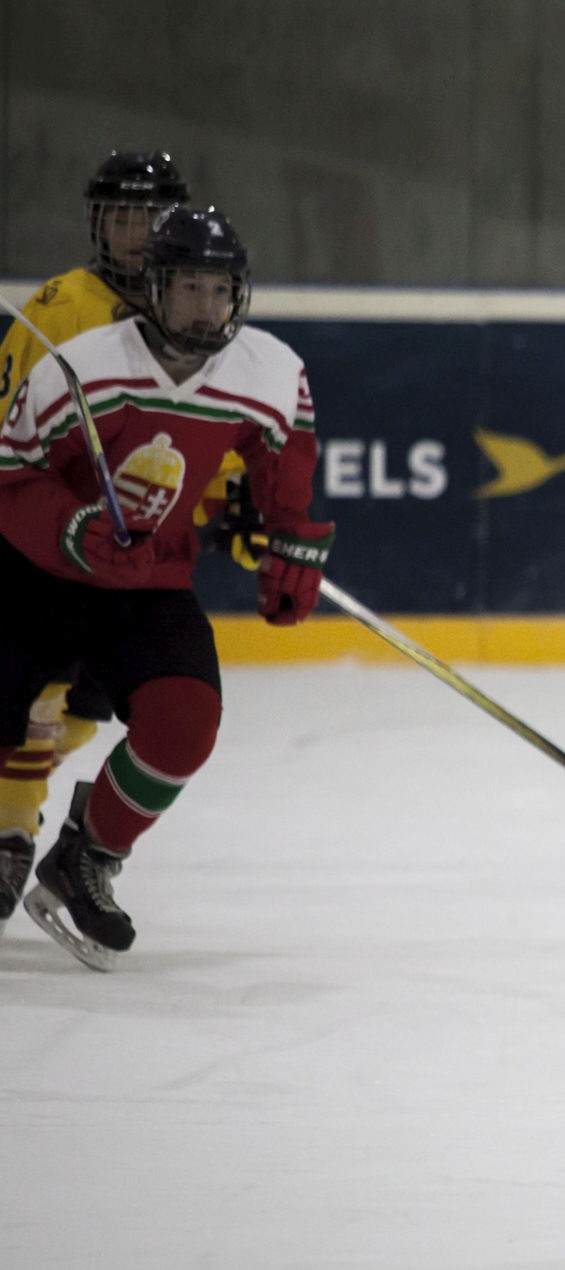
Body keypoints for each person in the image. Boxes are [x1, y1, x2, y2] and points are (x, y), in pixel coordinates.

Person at [0, 207, 330, 969]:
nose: (206, 307)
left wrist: (284, 536)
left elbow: (284, 457)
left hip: (145, 582)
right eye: (188, 287)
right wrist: (74, 527)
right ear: (154, 288)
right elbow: (12, 477)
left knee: (185, 726)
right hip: (37, 574)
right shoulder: (82, 366)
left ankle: (87, 857)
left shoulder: (270, 372)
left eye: (220, 290)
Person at [0, 150, 198, 931]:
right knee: (37, 693)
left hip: (137, 556)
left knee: (89, 705)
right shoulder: (58, 306)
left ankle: (35, 820)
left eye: (149, 215)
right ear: (97, 224)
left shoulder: (190, 305)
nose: (135, 231)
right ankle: (12, 835)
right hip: (48, 543)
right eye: (120, 215)